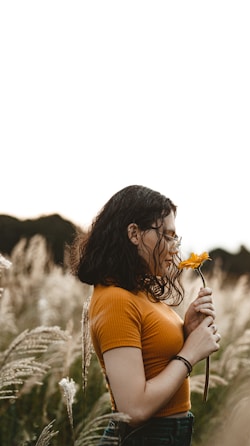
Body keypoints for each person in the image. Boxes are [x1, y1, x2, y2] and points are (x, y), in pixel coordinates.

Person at [71, 185, 221, 445]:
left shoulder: (138, 292)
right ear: (134, 233)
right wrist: (190, 354)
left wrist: (187, 332)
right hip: (146, 437)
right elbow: (133, 409)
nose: (175, 248)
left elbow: (154, 360)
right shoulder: (115, 299)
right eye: (168, 236)